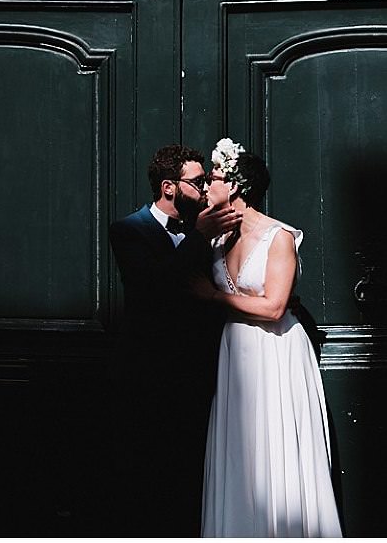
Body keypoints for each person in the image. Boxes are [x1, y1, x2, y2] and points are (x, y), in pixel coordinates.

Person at [197, 138, 342, 537]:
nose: (208, 187)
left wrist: (213, 295)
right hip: (236, 351)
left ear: (237, 187)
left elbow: (275, 306)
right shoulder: (216, 238)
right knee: (241, 451)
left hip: (273, 349)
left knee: (274, 448)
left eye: (215, 179)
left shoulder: (278, 238)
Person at [108, 144, 241, 536]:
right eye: (197, 183)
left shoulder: (205, 231)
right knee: (152, 482)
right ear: (169, 187)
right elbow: (155, 288)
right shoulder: (129, 231)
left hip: (203, 374)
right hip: (151, 377)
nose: (204, 191)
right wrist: (199, 236)